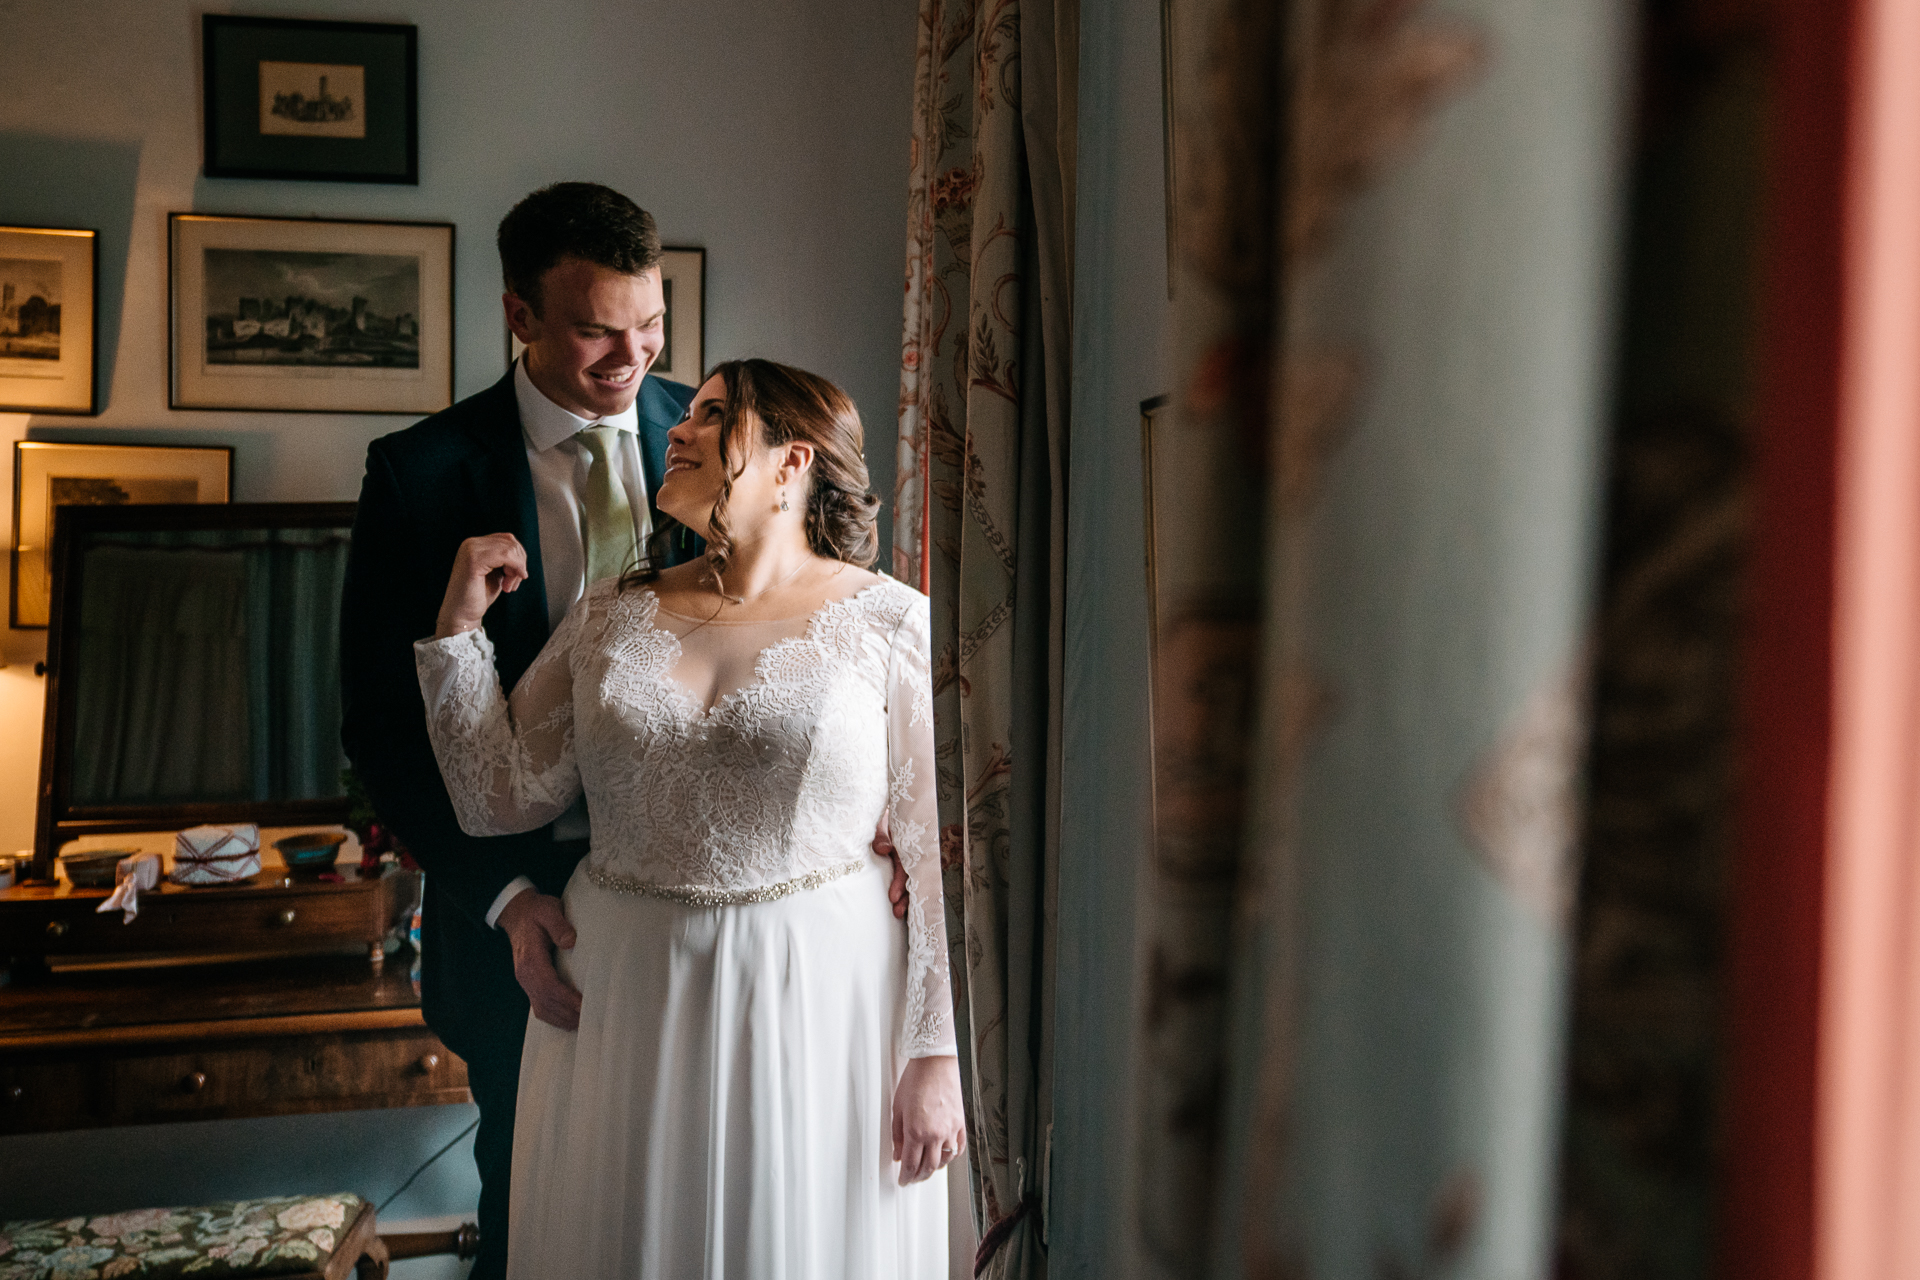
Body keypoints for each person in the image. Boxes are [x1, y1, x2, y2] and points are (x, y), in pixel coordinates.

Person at [340, 184, 905, 1279]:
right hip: (541, 938)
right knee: (555, 1209)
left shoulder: (720, 438)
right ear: (521, 315)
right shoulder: (419, 476)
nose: (635, 358)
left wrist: (856, 817)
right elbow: (379, 729)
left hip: (763, 942)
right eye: (599, 328)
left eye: (651, 325)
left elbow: (825, 650)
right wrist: (505, 899)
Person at [413, 359, 965, 1277]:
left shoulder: (892, 624)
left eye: (712, 414)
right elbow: (497, 796)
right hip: (623, 994)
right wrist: (458, 636)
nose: (675, 428)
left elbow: (943, 849)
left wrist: (936, 1054)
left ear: (793, 461)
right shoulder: (606, 618)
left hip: (820, 992)